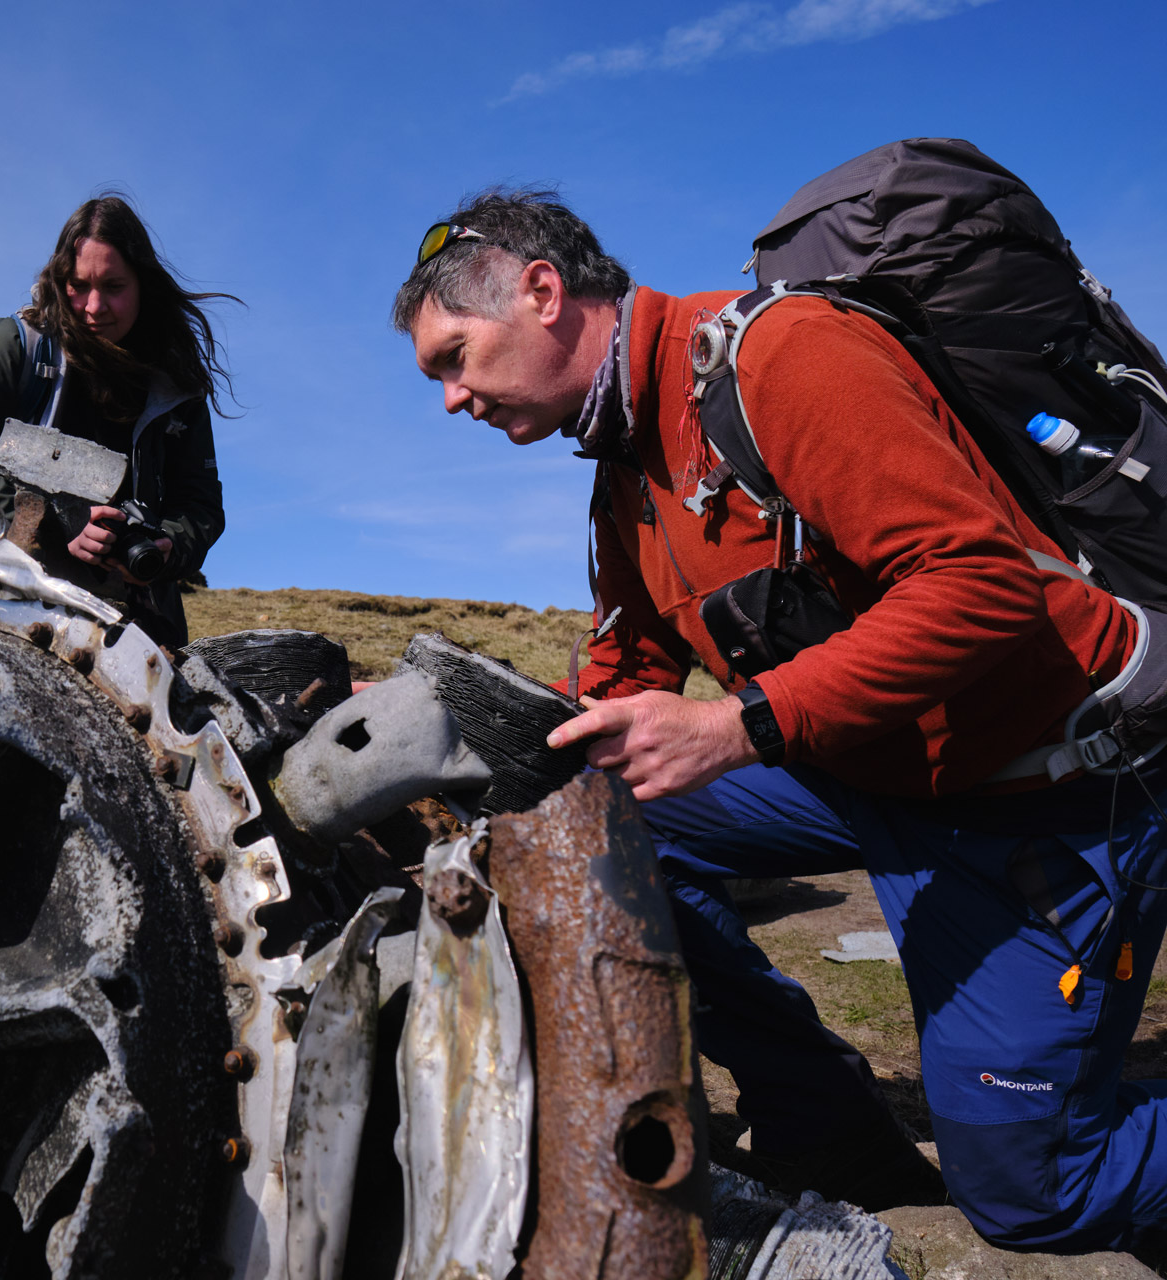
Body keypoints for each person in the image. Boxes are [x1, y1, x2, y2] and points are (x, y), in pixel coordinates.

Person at [392, 188, 1167, 1252]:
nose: (449, 398)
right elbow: (622, 676)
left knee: (1037, 1187)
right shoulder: (626, 467)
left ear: (541, 292)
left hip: (1043, 792)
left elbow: (984, 588)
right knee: (607, 824)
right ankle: (828, 1130)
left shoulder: (784, 358)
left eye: (453, 356)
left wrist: (737, 727)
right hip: (880, 774)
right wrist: (413, 712)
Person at [0, 194, 234, 649]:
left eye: (113, 286)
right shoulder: (15, 348)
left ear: (143, 284)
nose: (93, 306)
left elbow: (200, 505)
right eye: (78, 284)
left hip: (134, 627)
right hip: (5, 610)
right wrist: (57, 524)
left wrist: (168, 546)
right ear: (58, 279)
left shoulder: (177, 387)